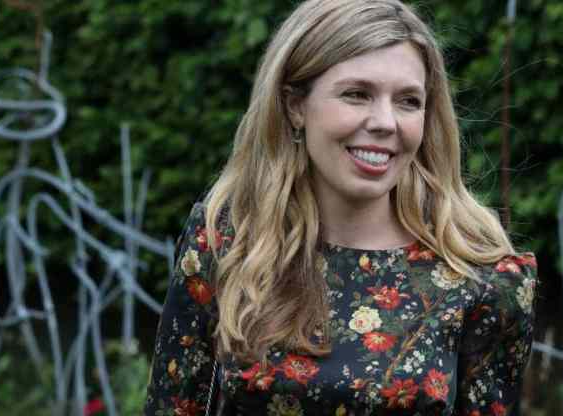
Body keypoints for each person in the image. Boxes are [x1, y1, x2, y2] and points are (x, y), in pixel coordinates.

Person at [144, 0, 538, 414]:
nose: (386, 121)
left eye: (408, 101)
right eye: (357, 94)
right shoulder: (229, 242)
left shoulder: (480, 277)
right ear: (295, 105)